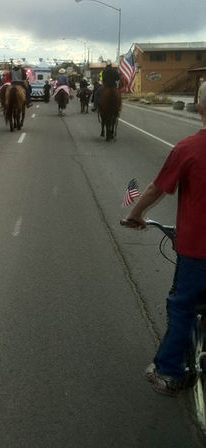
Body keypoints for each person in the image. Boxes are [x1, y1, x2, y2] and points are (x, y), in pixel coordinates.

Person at [125, 81, 206, 395]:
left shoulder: (188, 148)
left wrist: (136, 214)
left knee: (182, 307)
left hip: (197, 252)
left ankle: (169, 372)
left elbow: (158, 188)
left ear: (198, 108)